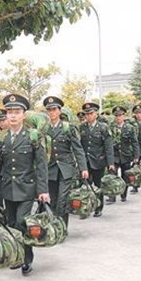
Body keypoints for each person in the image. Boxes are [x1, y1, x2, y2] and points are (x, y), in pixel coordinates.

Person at [0, 93, 49, 275]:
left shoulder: (33, 136)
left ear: (24, 114)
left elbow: (41, 166)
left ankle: (26, 258)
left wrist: (43, 190)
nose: (13, 115)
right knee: (10, 222)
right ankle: (17, 254)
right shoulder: (0, 138)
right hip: (7, 188)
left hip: (26, 188)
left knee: (21, 222)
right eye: (10, 112)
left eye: (17, 111)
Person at [43, 96, 88, 225]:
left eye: (54, 109)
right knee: (53, 199)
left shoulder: (68, 128)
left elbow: (77, 149)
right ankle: (54, 227)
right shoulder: (44, 129)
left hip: (66, 168)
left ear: (59, 111)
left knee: (63, 199)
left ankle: (62, 227)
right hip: (50, 168)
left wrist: (83, 168)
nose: (52, 112)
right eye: (49, 110)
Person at [79, 102, 115, 217]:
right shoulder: (82, 127)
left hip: (99, 160)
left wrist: (111, 163)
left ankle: (99, 207)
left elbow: (108, 146)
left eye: (91, 113)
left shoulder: (103, 127)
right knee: (85, 186)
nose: (89, 116)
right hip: (85, 161)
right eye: (87, 114)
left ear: (96, 114)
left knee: (98, 185)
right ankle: (86, 207)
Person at [108, 106, 139, 203]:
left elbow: (134, 142)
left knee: (125, 176)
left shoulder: (129, 128)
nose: (118, 117)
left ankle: (123, 194)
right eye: (116, 115)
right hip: (114, 155)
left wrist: (136, 156)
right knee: (113, 175)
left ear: (123, 116)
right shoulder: (111, 127)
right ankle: (112, 196)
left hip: (126, 155)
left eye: (120, 115)